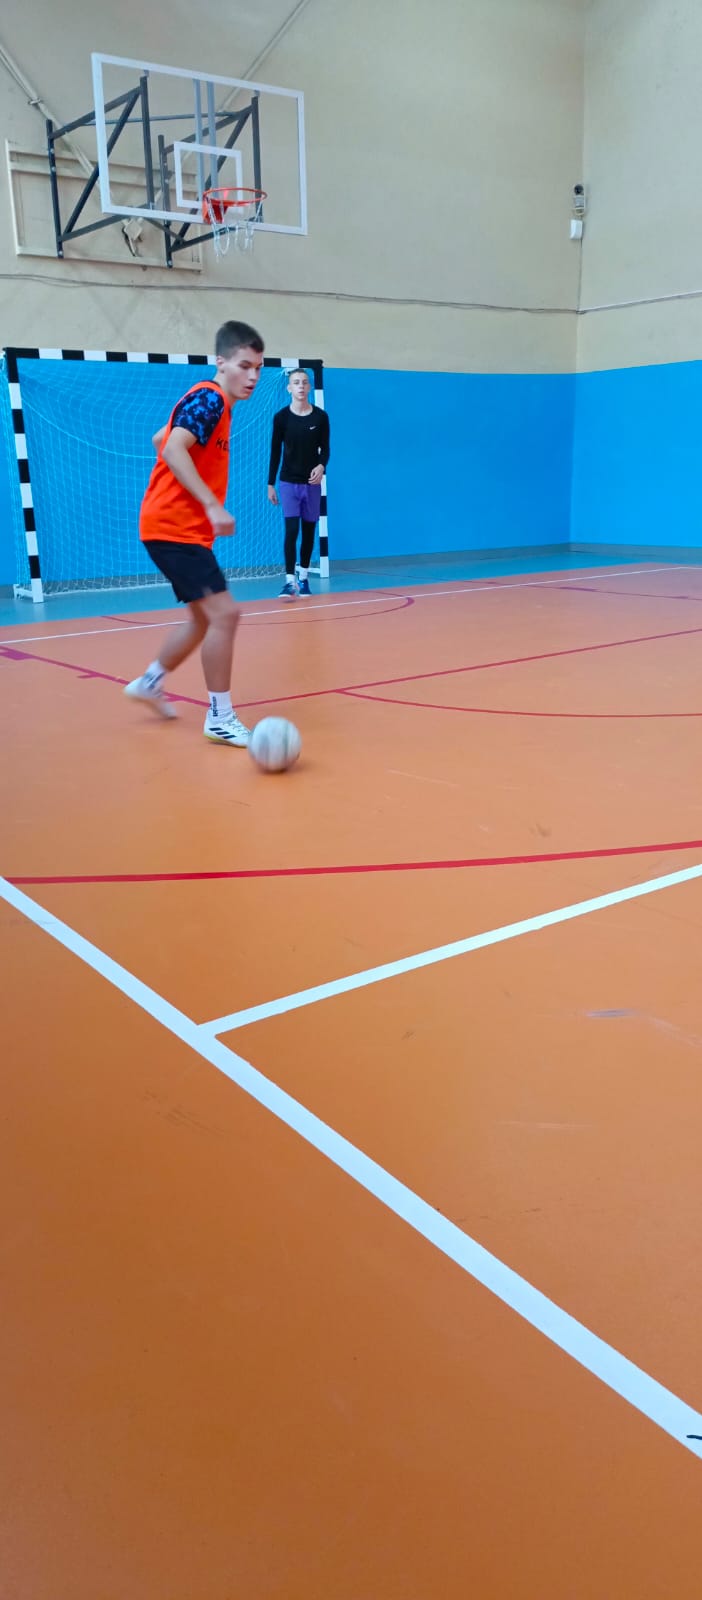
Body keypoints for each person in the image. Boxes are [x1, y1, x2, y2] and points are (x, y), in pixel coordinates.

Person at [124, 320, 264, 746]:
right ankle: (219, 717)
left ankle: (150, 681)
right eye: (244, 366)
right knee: (226, 615)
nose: (253, 377)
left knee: (204, 619)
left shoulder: (214, 405)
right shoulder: (210, 398)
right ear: (221, 363)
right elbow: (171, 447)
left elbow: (160, 438)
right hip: (174, 528)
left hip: (175, 529)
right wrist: (210, 504)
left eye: (258, 368)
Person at [267, 368, 330, 598]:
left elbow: (326, 448)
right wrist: (270, 483)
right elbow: (275, 451)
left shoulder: (320, 417)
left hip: (312, 483)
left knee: (309, 530)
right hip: (288, 482)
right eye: (296, 382)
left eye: (304, 382)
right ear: (289, 388)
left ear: (309, 387)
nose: (301, 386)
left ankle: (304, 578)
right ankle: (289, 581)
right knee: (292, 530)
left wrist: (321, 466)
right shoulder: (281, 417)